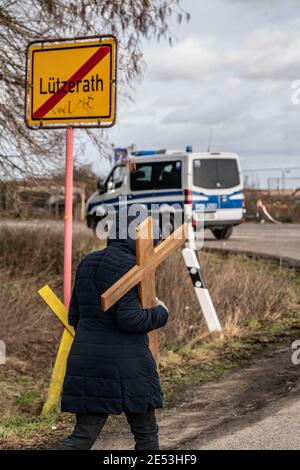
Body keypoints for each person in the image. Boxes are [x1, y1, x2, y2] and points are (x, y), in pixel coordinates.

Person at [59, 217, 168, 450]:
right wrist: (161, 312)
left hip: (87, 362)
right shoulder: (133, 267)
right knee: (146, 434)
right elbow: (129, 319)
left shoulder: (88, 262)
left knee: (81, 438)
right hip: (129, 366)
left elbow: (74, 317)